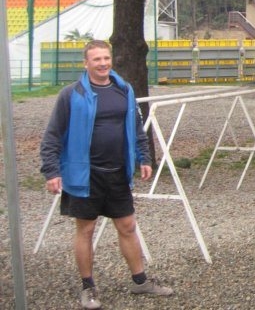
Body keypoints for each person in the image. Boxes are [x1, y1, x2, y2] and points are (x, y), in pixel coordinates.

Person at [40, 39, 173, 309]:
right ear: (86, 63)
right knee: (86, 230)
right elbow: (52, 135)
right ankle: (88, 288)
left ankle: (140, 282)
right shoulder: (72, 94)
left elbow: (136, 127)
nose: (102, 64)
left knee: (128, 226)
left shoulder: (124, 90)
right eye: (96, 59)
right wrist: (51, 171)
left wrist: (144, 157)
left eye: (106, 58)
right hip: (85, 175)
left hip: (117, 173)